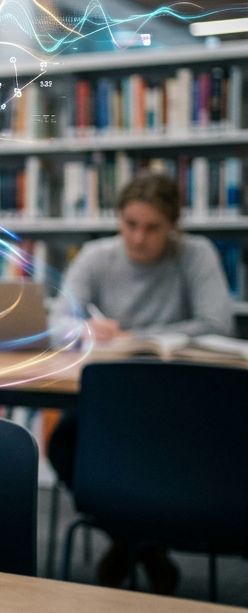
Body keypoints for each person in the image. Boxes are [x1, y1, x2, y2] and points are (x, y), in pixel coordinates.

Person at [47, 171, 232, 593]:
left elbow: (217, 323)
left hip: (180, 399)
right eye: (130, 224)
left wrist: (147, 337)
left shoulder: (195, 254)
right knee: (63, 442)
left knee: (165, 458)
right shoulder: (97, 256)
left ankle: (130, 540)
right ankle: (143, 545)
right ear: (119, 219)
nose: (138, 238)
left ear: (173, 227)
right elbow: (58, 319)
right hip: (112, 400)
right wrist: (87, 331)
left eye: (152, 228)